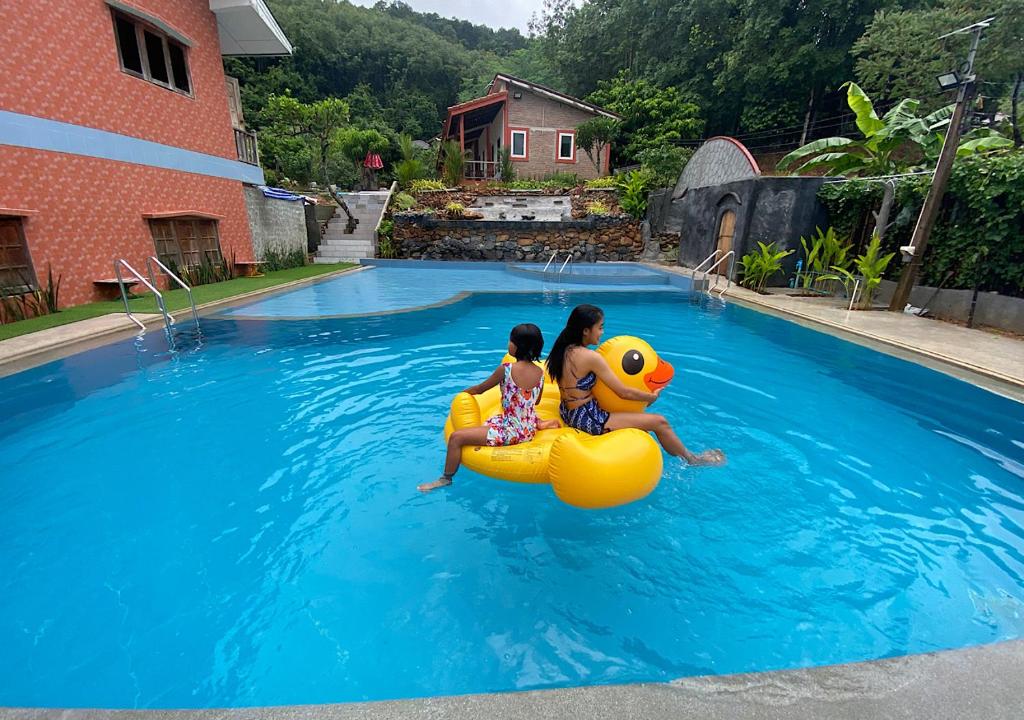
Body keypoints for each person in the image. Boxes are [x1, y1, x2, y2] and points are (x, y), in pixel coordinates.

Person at [546, 304, 724, 466]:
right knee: (660, 422)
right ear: (586, 330)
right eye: (599, 328)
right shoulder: (590, 357)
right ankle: (693, 460)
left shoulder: (564, 349)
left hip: (568, 411)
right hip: (587, 419)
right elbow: (623, 392)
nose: (601, 333)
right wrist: (651, 397)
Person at [419, 323, 559, 492]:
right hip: (527, 427)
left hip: (512, 431)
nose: (508, 344)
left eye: (511, 340)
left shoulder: (506, 370)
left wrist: (462, 393)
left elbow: (480, 389)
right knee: (508, 415)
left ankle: (445, 479)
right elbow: (535, 402)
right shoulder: (540, 373)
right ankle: (540, 424)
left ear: (517, 345)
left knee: (456, 438)